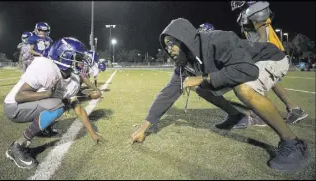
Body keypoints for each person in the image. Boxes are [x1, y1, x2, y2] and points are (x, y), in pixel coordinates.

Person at [131, 18, 311, 172]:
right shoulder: (185, 64)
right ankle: (236, 116)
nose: (168, 49)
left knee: (243, 88)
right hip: (249, 67)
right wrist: (143, 128)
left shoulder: (217, 40)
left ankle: (293, 142)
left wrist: (202, 77)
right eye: (166, 45)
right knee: (201, 87)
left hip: (270, 59)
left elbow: (248, 70)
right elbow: (167, 94)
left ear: (184, 39)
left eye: (172, 43)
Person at [4, 37, 104, 169]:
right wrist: (45, 94)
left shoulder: (73, 79)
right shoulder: (47, 67)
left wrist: (93, 133)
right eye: (77, 57)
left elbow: (77, 107)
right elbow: (19, 96)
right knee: (59, 105)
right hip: (14, 107)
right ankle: (17, 147)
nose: (81, 61)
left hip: (31, 105)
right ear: (64, 56)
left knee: (63, 103)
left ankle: (42, 130)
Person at [230, 1, 308, 127]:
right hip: (268, 53)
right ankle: (294, 109)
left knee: (254, 79)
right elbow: (254, 38)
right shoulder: (245, 14)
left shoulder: (255, 10)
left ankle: (259, 116)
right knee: (272, 82)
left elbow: (263, 37)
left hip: (270, 53)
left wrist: (256, 54)